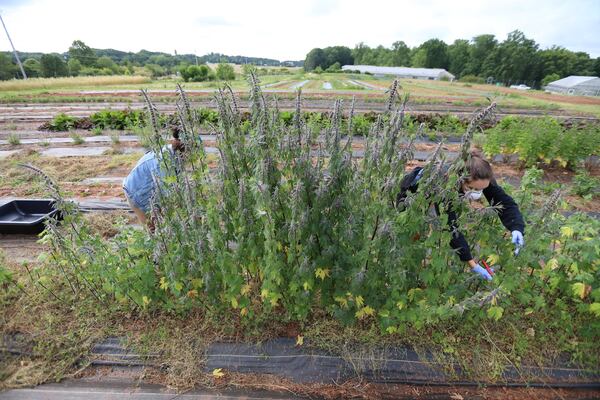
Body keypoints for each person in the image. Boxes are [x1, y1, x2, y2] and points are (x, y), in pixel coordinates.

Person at [398, 151, 525, 281]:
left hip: (438, 200)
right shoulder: (447, 184)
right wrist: (472, 264)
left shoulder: (482, 177)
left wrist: (517, 228)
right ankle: (408, 271)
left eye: (480, 190)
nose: (476, 193)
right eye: (472, 188)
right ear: (461, 179)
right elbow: (450, 226)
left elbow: (505, 203)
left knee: (439, 233)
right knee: (415, 234)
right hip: (412, 197)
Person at [122, 133, 185, 230]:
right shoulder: (163, 161)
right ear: (183, 150)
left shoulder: (176, 156)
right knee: (155, 232)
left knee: (166, 227)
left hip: (152, 191)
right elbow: (168, 195)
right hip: (136, 193)